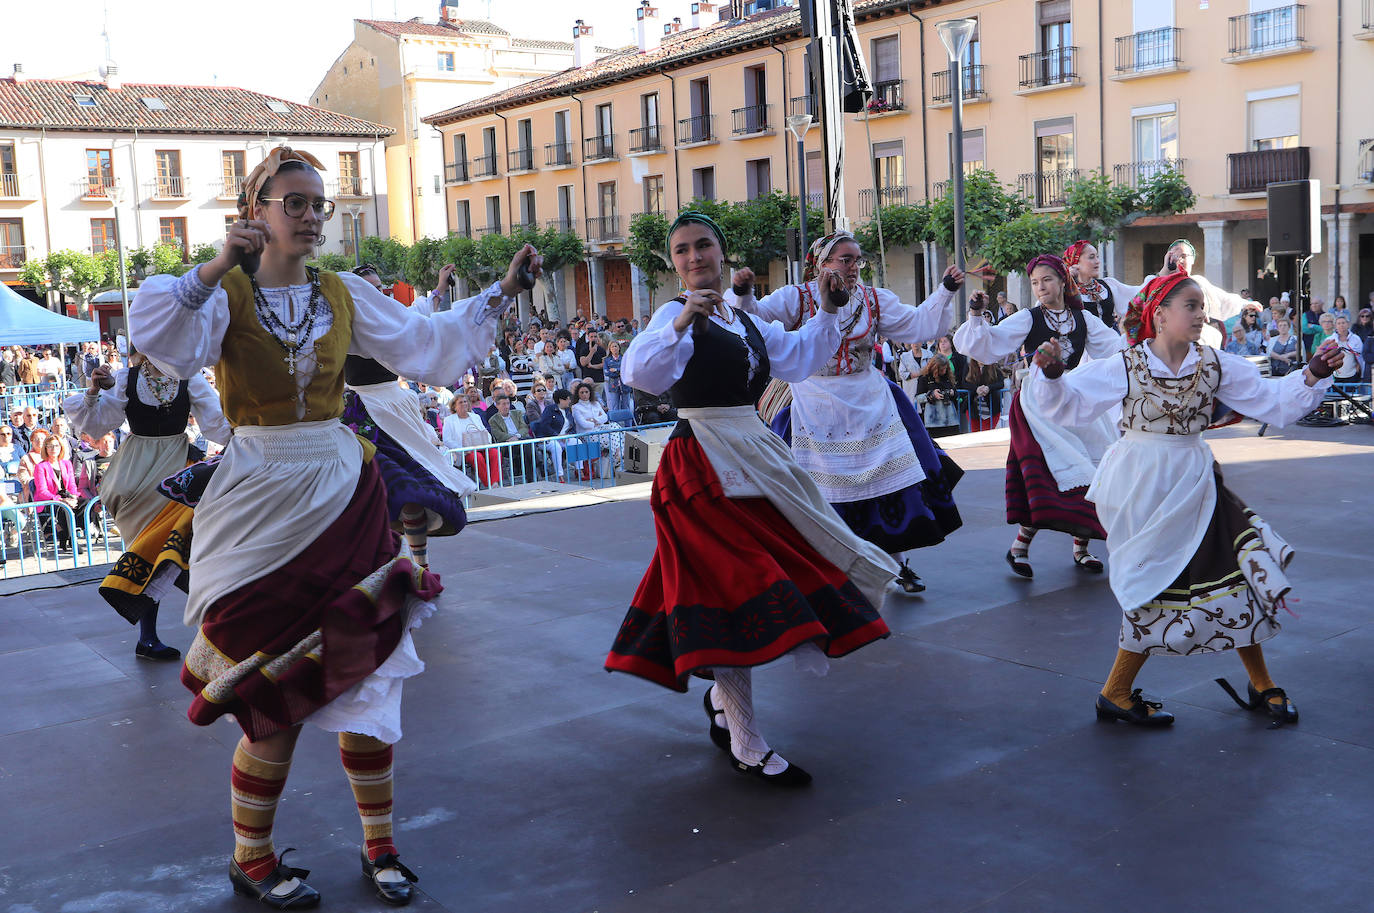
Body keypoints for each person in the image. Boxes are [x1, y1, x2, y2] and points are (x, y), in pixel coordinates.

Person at [129, 146, 538, 907]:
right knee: (272, 680)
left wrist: (502, 291)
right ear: (257, 210)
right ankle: (251, 856)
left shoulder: (343, 293)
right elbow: (161, 340)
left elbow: (430, 343)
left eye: (319, 203)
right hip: (257, 493)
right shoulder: (222, 297)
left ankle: (380, 845)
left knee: (372, 672)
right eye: (296, 202)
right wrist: (218, 264)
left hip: (340, 486)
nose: (313, 215)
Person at [605, 211, 895, 786]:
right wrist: (684, 319)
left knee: (759, 574)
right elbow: (640, 372)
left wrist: (832, 310)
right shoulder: (672, 315)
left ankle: (724, 707)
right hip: (701, 465)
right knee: (733, 587)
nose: (695, 257)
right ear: (672, 262)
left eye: (703, 246)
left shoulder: (745, 320)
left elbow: (801, 356)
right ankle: (745, 736)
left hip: (754, 454)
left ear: (722, 252)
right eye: (683, 250)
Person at [1026, 272, 1341, 727]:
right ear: (1160, 314)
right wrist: (1053, 375)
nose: (1201, 314)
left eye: (1201, 306)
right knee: (1153, 586)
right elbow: (1067, 405)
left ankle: (1260, 682)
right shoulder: (1125, 364)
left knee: (1231, 575)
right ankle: (1115, 691)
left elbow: (1273, 401)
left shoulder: (1215, 363)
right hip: (1141, 486)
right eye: (1191, 306)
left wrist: (1313, 373)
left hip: (1196, 481)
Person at [731, 231, 966, 595]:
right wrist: (745, 293)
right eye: (845, 259)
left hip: (869, 397)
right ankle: (830, 568)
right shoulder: (798, 297)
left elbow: (919, 324)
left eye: (857, 259)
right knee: (817, 491)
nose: (854, 266)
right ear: (822, 264)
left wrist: (946, 289)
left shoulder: (874, 299)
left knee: (891, 484)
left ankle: (897, 564)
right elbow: (756, 321)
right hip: (814, 400)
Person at [954, 254, 1124, 578]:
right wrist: (976, 315)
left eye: (1046, 280)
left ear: (1062, 281)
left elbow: (1115, 349)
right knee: (1049, 478)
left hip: (1075, 397)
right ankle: (1019, 546)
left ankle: (1081, 548)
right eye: (1034, 282)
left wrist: (1136, 332)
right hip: (1038, 403)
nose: (1040, 287)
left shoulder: (1083, 319)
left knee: (1093, 470)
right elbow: (989, 343)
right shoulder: (1029, 319)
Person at [63, 352, 231, 660]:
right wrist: (93, 390)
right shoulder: (128, 377)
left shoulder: (189, 376)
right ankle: (152, 636)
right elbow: (100, 425)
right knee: (150, 551)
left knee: (183, 550)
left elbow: (215, 422)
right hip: (134, 473)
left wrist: (248, 433)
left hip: (175, 467)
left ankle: (207, 628)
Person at [1146, 241, 1249, 349]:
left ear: (1192, 260)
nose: (1179, 260)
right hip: (1164, 338)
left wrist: (1245, 303)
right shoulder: (1155, 281)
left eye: (1184, 256)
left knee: (1213, 336)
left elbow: (1223, 299)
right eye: (1175, 256)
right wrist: (1164, 272)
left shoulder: (1199, 283)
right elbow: (1142, 298)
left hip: (1196, 338)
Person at [1063, 240, 1142, 331]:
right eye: (1091, 257)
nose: (1097, 261)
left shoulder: (1107, 285)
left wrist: (1161, 274)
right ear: (1076, 263)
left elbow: (1137, 293)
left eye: (1097, 257)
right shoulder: (1067, 291)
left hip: (1112, 342)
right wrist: (1067, 277)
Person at [31, 435, 85, 552]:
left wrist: (74, 497)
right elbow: (42, 491)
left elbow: (71, 485)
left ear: (61, 447)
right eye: (49, 446)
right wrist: (61, 500)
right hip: (48, 500)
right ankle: (72, 538)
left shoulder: (66, 464)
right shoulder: (41, 467)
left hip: (66, 497)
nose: (53, 448)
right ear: (45, 449)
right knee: (63, 508)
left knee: (85, 503)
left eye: (56, 445)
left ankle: (64, 534)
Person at [441, 392, 500, 486]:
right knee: (477, 457)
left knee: (495, 453)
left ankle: (495, 482)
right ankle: (489, 484)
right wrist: (463, 449)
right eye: (460, 402)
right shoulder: (449, 420)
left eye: (465, 401)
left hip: (481, 447)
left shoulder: (475, 417)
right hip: (465, 451)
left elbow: (485, 432)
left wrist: (487, 443)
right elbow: (447, 440)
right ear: (454, 406)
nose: (464, 404)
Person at [570, 380, 623, 476]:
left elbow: (605, 417)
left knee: (615, 426)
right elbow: (583, 424)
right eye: (582, 392)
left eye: (586, 392)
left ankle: (617, 455)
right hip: (587, 434)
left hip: (600, 430)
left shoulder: (596, 404)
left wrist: (592, 420)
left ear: (590, 392)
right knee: (614, 436)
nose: (585, 394)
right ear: (578, 394)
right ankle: (617, 458)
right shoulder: (576, 407)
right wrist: (597, 421)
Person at [530, 388, 575, 481]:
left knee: (577, 442)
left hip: (564, 438)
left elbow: (572, 426)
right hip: (548, 438)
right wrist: (556, 435)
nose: (569, 401)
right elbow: (544, 425)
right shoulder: (550, 409)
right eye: (567, 399)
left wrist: (568, 435)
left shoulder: (568, 410)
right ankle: (560, 474)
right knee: (556, 447)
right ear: (561, 400)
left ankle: (580, 470)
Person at [915, 355, 959, 437]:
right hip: (933, 421)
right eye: (941, 369)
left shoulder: (948, 377)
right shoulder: (924, 378)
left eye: (946, 368)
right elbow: (918, 398)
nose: (944, 371)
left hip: (951, 420)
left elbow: (956, 393)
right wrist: (931, 395)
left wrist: (952, 392)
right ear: (934, 368)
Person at [961, 358, 1005, 431]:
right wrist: (976, 389)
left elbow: (1001, 383)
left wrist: (988, 388)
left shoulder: (994, 365)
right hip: (973, 407)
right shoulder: (968, 365)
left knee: (987, 435)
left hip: (991, 407)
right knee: (975, 435)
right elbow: (964, 383)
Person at [1326, 316, 1365, 385]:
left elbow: (1361, 355)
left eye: (1343, 323)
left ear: (1348, 324)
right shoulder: (1330, 339)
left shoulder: (1356, 339)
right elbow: (1326, 356)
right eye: (1339, 323)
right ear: (1335, 326)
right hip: (1335, 375)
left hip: (1352, 374)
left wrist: (1358, 368)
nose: (1341, 325)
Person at [602, 339, 632, 413]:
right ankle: (616, 424)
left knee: (626, 407)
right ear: (610, 349)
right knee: (614, 406)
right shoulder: (606, 360)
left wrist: (616, 370)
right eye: (612, 347)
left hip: (625, 385)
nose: (614, 348)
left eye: (616, 346)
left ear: (619, 347)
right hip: (613, 385)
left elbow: (626, 370)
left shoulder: (624, 358)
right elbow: (607, 372)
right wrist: (619, 372)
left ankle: (628, 424)